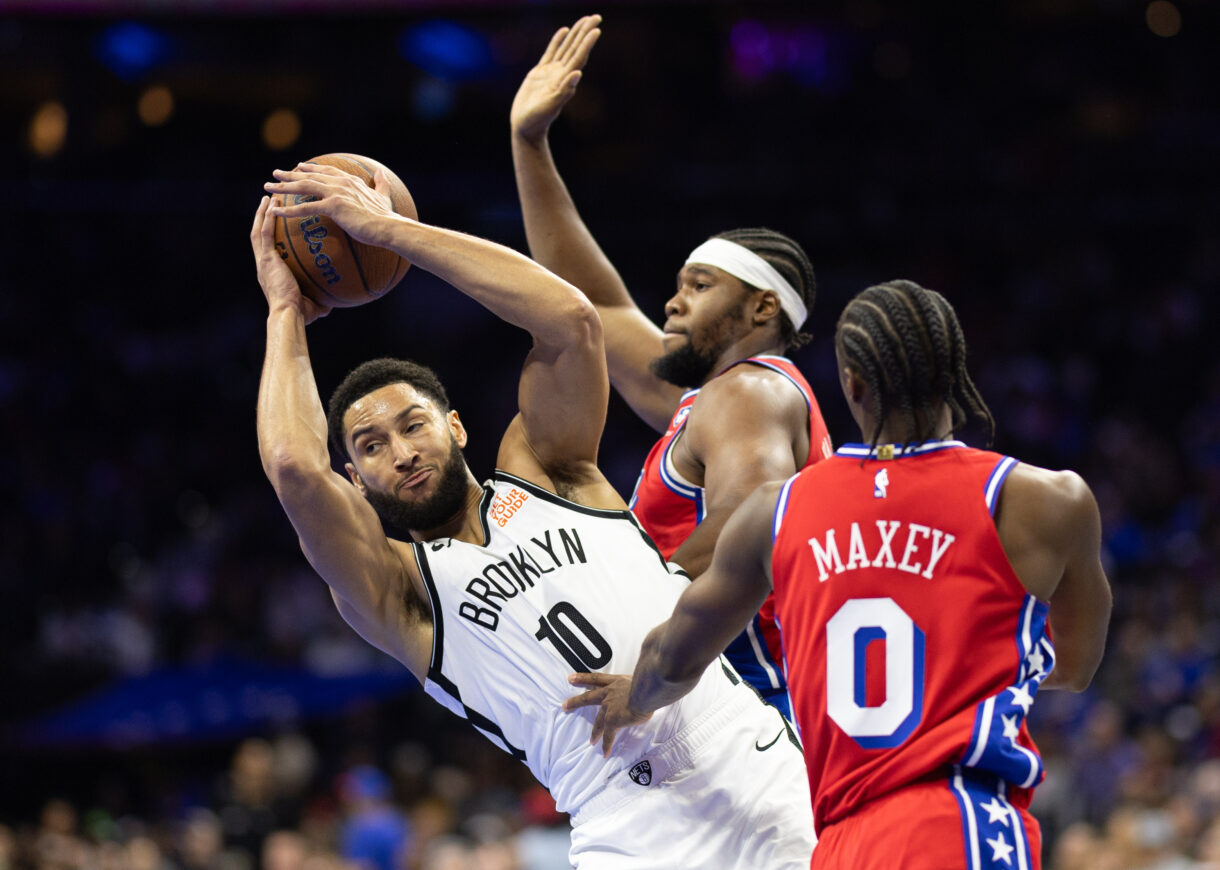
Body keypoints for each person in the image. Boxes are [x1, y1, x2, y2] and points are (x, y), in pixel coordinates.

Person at [253, 163, 815, 868]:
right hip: (624, 825)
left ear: (456, 427)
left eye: (413, 425)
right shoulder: (401, 591)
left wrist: (391, 232)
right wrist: (283, 310)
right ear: (356, 482)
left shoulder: (548, 470)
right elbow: (294, 469)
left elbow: (571, 319)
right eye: (371, 447)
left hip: (748, 759)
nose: (400, 452)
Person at [565, 280, 1113, 869]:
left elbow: (673, 660)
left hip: (838, 841)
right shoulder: (1045, 500)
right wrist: (950, 663)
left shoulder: (775, 512)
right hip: (960, 823)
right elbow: (1075, 665)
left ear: (850, 385)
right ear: (957, 369)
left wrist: (632, 698)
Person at [510, 15, 832, 716]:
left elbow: (755, 515)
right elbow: (590, 303)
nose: (672, 302)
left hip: (761, 705)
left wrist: (617, 601)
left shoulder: (748, 393)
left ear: (760, 311)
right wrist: (530, 143)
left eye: (699, 286)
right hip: (729, 699)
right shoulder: (713, 395)